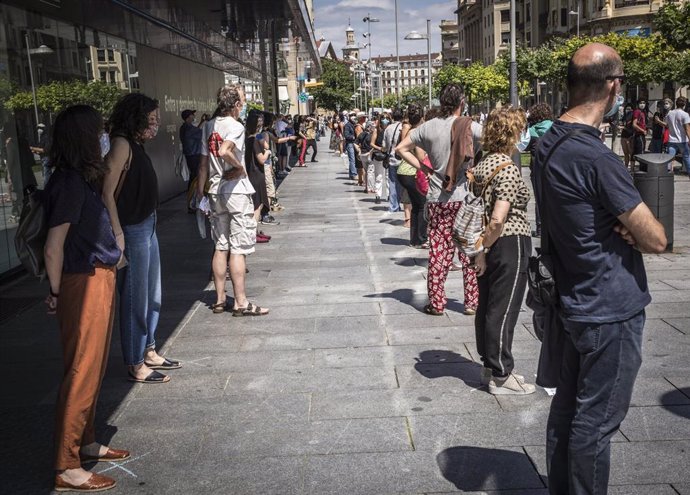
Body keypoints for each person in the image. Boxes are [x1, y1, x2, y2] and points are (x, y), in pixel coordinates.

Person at [533, 43, 667, 494]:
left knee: (567, 414)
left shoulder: (547, 142)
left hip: (572, 301)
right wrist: (628, 224)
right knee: (596, 425)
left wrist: (612, 219)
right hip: (608, 306)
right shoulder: (598, 159)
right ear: (612, 86)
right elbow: (655, 238)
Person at [46, 105, 128, 493]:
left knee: (91, 369)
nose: (104, 138)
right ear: (84, 137)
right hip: (83, 282)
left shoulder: (80, 179)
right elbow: (54, 245)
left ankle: (87, 441)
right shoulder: (68, 183)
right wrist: (55, 291)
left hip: (97, 277)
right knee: (82, 369)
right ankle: (67, 464)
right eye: (99, 132)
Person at [103, 93, 180, 384]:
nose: (156, 124)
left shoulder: (135, 143)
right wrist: (118, 232)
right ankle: (135, 361)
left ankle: (148, 349)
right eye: (152, 119)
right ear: (136, 117)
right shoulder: (121, 144)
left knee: (152, 294)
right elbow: (107, 192)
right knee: (136, 298)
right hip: (132, 228)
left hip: (147, 224)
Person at [395, 83, 479, 316]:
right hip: (462, 197)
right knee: (467, 251)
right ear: (461, 102)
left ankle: (437, 302)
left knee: (439, 252)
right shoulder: (469, 125)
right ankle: (471, 302)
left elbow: (401, 148)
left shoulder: (428, 127)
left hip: (437, 198)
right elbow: (492, 141)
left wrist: (424, 167)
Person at [472, 106, 534, 395]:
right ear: (512, 133)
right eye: (520, 129)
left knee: (487, 305)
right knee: (504, 307)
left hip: (488, 245)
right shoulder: (507, 168)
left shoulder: (484, 163)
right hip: (510, 241)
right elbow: (498, 218)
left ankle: (489, 365)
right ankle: (501, 373)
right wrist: (488, 243)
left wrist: (482, 250)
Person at [196, 85, 269, 316]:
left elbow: (203, 163)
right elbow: (225, 150)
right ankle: (241, 302)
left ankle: (219, 300)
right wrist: (238, 167)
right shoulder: (235, 126)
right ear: (236, 105)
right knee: (238, 248)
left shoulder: (208, 126)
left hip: (215, 190)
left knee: (220, 245)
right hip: (235, 190)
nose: (243, 104)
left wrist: (201, 192)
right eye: (242, 101)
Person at [396, 104, 428, 248]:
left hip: (403, 171)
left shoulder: (409, 131)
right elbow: (421, 156)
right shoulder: (418, 133)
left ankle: (414, 239)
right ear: (422, 118)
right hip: (412, 172)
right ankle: (421, 239)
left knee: (416, 205)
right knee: (422, 205)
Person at [526, 103, 554, 237]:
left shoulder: (531, 130)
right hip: (553, 168)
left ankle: (540, 228)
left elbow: (523, 146)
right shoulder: (554, 128)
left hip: (536, 167)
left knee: (539, 198)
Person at [179, 109, 204, 204]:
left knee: (193, 177)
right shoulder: (189, 128)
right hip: (194, 155)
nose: (194, 117)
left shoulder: (184, 127)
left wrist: (202, 121)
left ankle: (191, 201)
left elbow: (196, 131)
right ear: (189, 117)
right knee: (195, 178)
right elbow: (201, 133)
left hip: (190, 155)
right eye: (192, 115)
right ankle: (192, 202)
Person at [383, 108, 404, 213]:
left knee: (392, 183)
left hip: (391, 159)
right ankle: (401, 204)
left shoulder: (388, 128)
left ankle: (393, 206)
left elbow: (384, 146)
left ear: (392, 117)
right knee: (403, 183)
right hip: (403, 159)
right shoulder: (404, 127)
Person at [665, 96, 690, 176]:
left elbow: (667, 125)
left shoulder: (670, 113)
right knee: (686, 157)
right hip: (682, 140)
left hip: (672, 139)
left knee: (670, 158)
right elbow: (687, 129)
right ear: (684, 105)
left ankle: (667, 175)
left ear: (676, 104)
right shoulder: (685, 114)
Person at [369, 113, 389, 204]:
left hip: (389, 155)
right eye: (383, 118)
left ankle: (389, 195)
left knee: (388, 176)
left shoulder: (390, 129)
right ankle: (378, 195)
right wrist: (380, 148)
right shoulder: (377, 130)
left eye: (387, 118)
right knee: (379, 176)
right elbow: (372, 143)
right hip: (379, 155)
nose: (385, 120)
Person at [620, 102, 634, 169]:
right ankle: (626, 166)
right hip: (623, 135)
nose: (628, 110)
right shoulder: (624, 116)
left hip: (630, 136)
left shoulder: (632, 116)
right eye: (627, 109)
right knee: (625, 153)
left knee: (631, 153)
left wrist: (623, 127)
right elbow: (622, 124)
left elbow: (630, 127)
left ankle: (632, 167)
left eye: (629, 109)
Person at [343, 111, 357, 180]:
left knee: (353, 159)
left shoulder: (356, 124)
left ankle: (351, 174)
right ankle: (354, 174)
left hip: (355, 144)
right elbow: (346, 135)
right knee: (352, 159)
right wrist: (354, 137)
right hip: (350, 143)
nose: (353, 116)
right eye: (352, 115)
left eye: (355, 115)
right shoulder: (347, 125)